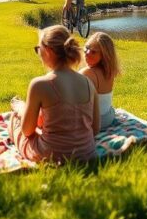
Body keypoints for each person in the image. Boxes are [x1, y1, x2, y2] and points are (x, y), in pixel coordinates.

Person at [9, 26, 99, 162]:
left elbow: (27, 131)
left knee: (15, 118)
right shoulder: (88, 83)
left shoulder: (39, 84)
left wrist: (21, 108)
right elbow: (95, 129)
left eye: (38, 49)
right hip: (86, 152)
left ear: (49, 51)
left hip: (52, 155)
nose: (38, 53)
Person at [79, 32, 122, 130]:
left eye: (93, 52)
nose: (87, 53)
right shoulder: (109, 71)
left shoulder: (87, 73)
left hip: (94, 122)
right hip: (109, 117)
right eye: (86, 48)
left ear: (104, 55)